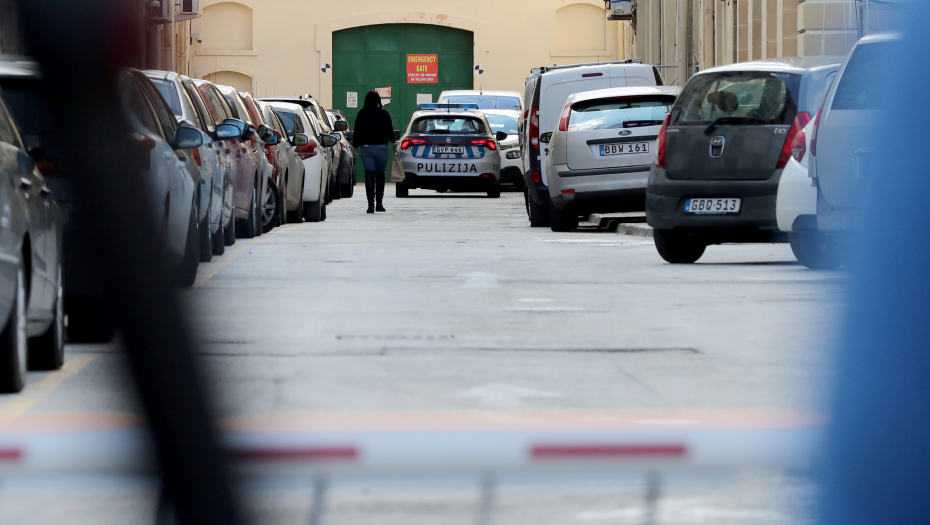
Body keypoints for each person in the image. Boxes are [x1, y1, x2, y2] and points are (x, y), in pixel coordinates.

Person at [351, 91, 396, 213]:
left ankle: (370, 205)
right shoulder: (385, 114)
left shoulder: (361, 113)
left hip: (366, 149)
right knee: (380, 175)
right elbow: (390, 130)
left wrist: (355, 146)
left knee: (369, 175)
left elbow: (357, 131)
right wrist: (394, 143)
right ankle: (379, 204)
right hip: (382, 149)